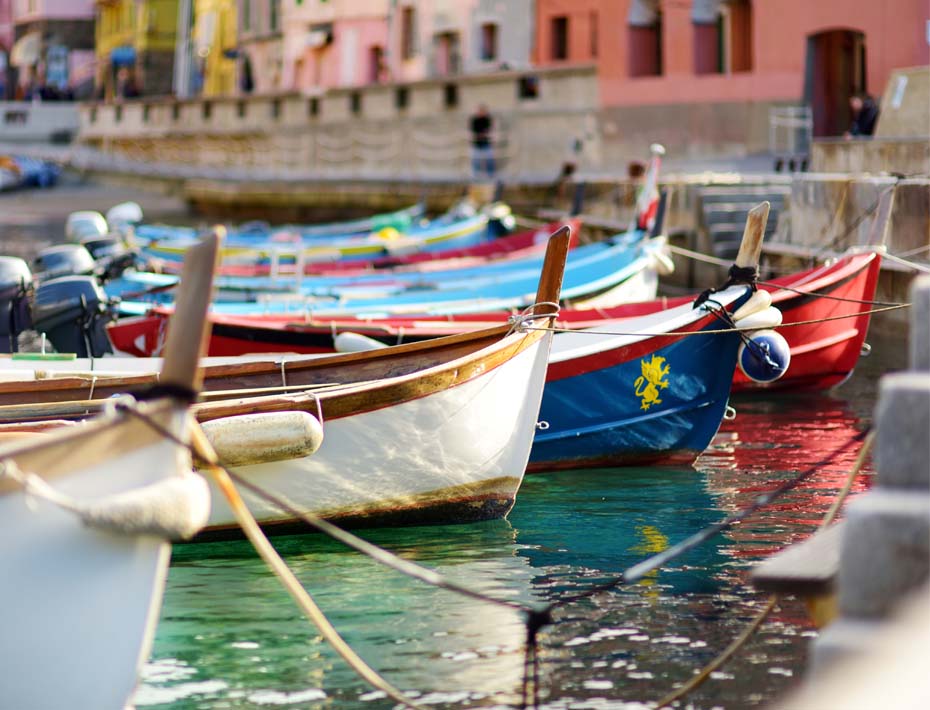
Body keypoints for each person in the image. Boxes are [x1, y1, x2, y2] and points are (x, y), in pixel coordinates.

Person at [469, 104, 495, 178]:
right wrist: (481, 134)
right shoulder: (474, 120)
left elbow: (488, 131)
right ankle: (476, 177)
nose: (481, 113)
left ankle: (491, 177)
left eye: (483, 111)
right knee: (475, 162)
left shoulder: (487, 119)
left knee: (490, 161)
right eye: (480, 111)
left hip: (486, 143)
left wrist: (482, 134)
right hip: (476, 144)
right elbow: (474, 133)